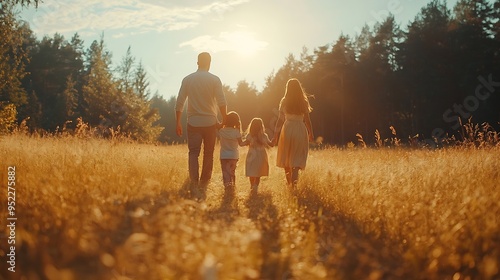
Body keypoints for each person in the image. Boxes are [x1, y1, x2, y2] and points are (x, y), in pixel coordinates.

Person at [175, 52, 227, 186]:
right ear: (209, 63)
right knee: (208, 153)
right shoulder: (215, 79)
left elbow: (180, 102)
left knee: (193, 152)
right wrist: (224, 119)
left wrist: (178, 122)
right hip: (210, 122)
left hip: (193, 122)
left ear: (197, 62)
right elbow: (222, 101)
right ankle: (205, 181)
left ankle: (193, 180)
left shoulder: (187, 79)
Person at [272, 78, 314, 187]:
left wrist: (275, 135)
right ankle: (294, 186)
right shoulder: (303, 101)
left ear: (287, 88)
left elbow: (280, 120)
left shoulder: (284, 100)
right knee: (296, 160)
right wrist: (311, 133)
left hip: (288, 128)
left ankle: (289, 184)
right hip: (300, 129)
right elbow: (308, 120)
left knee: (286, 158)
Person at [243, 118, 273, 191]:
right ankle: (255, 186)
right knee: (258, 173)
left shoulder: (249, 136)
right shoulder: (264, 136)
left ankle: (252, 186)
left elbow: (243, 143)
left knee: (251, 172)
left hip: (251, 156)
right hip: (261, 155)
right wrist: (275, 138)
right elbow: (271, 144)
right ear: (261, 126)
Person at [218, 111, 245, 189]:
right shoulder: (236, 132)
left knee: (225, 173)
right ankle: (233, 187)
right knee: (232, 172)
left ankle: (227, 188)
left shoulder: (221, 131)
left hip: (223, 156)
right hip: (233, 156)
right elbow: (241, 144)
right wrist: (249, 141)